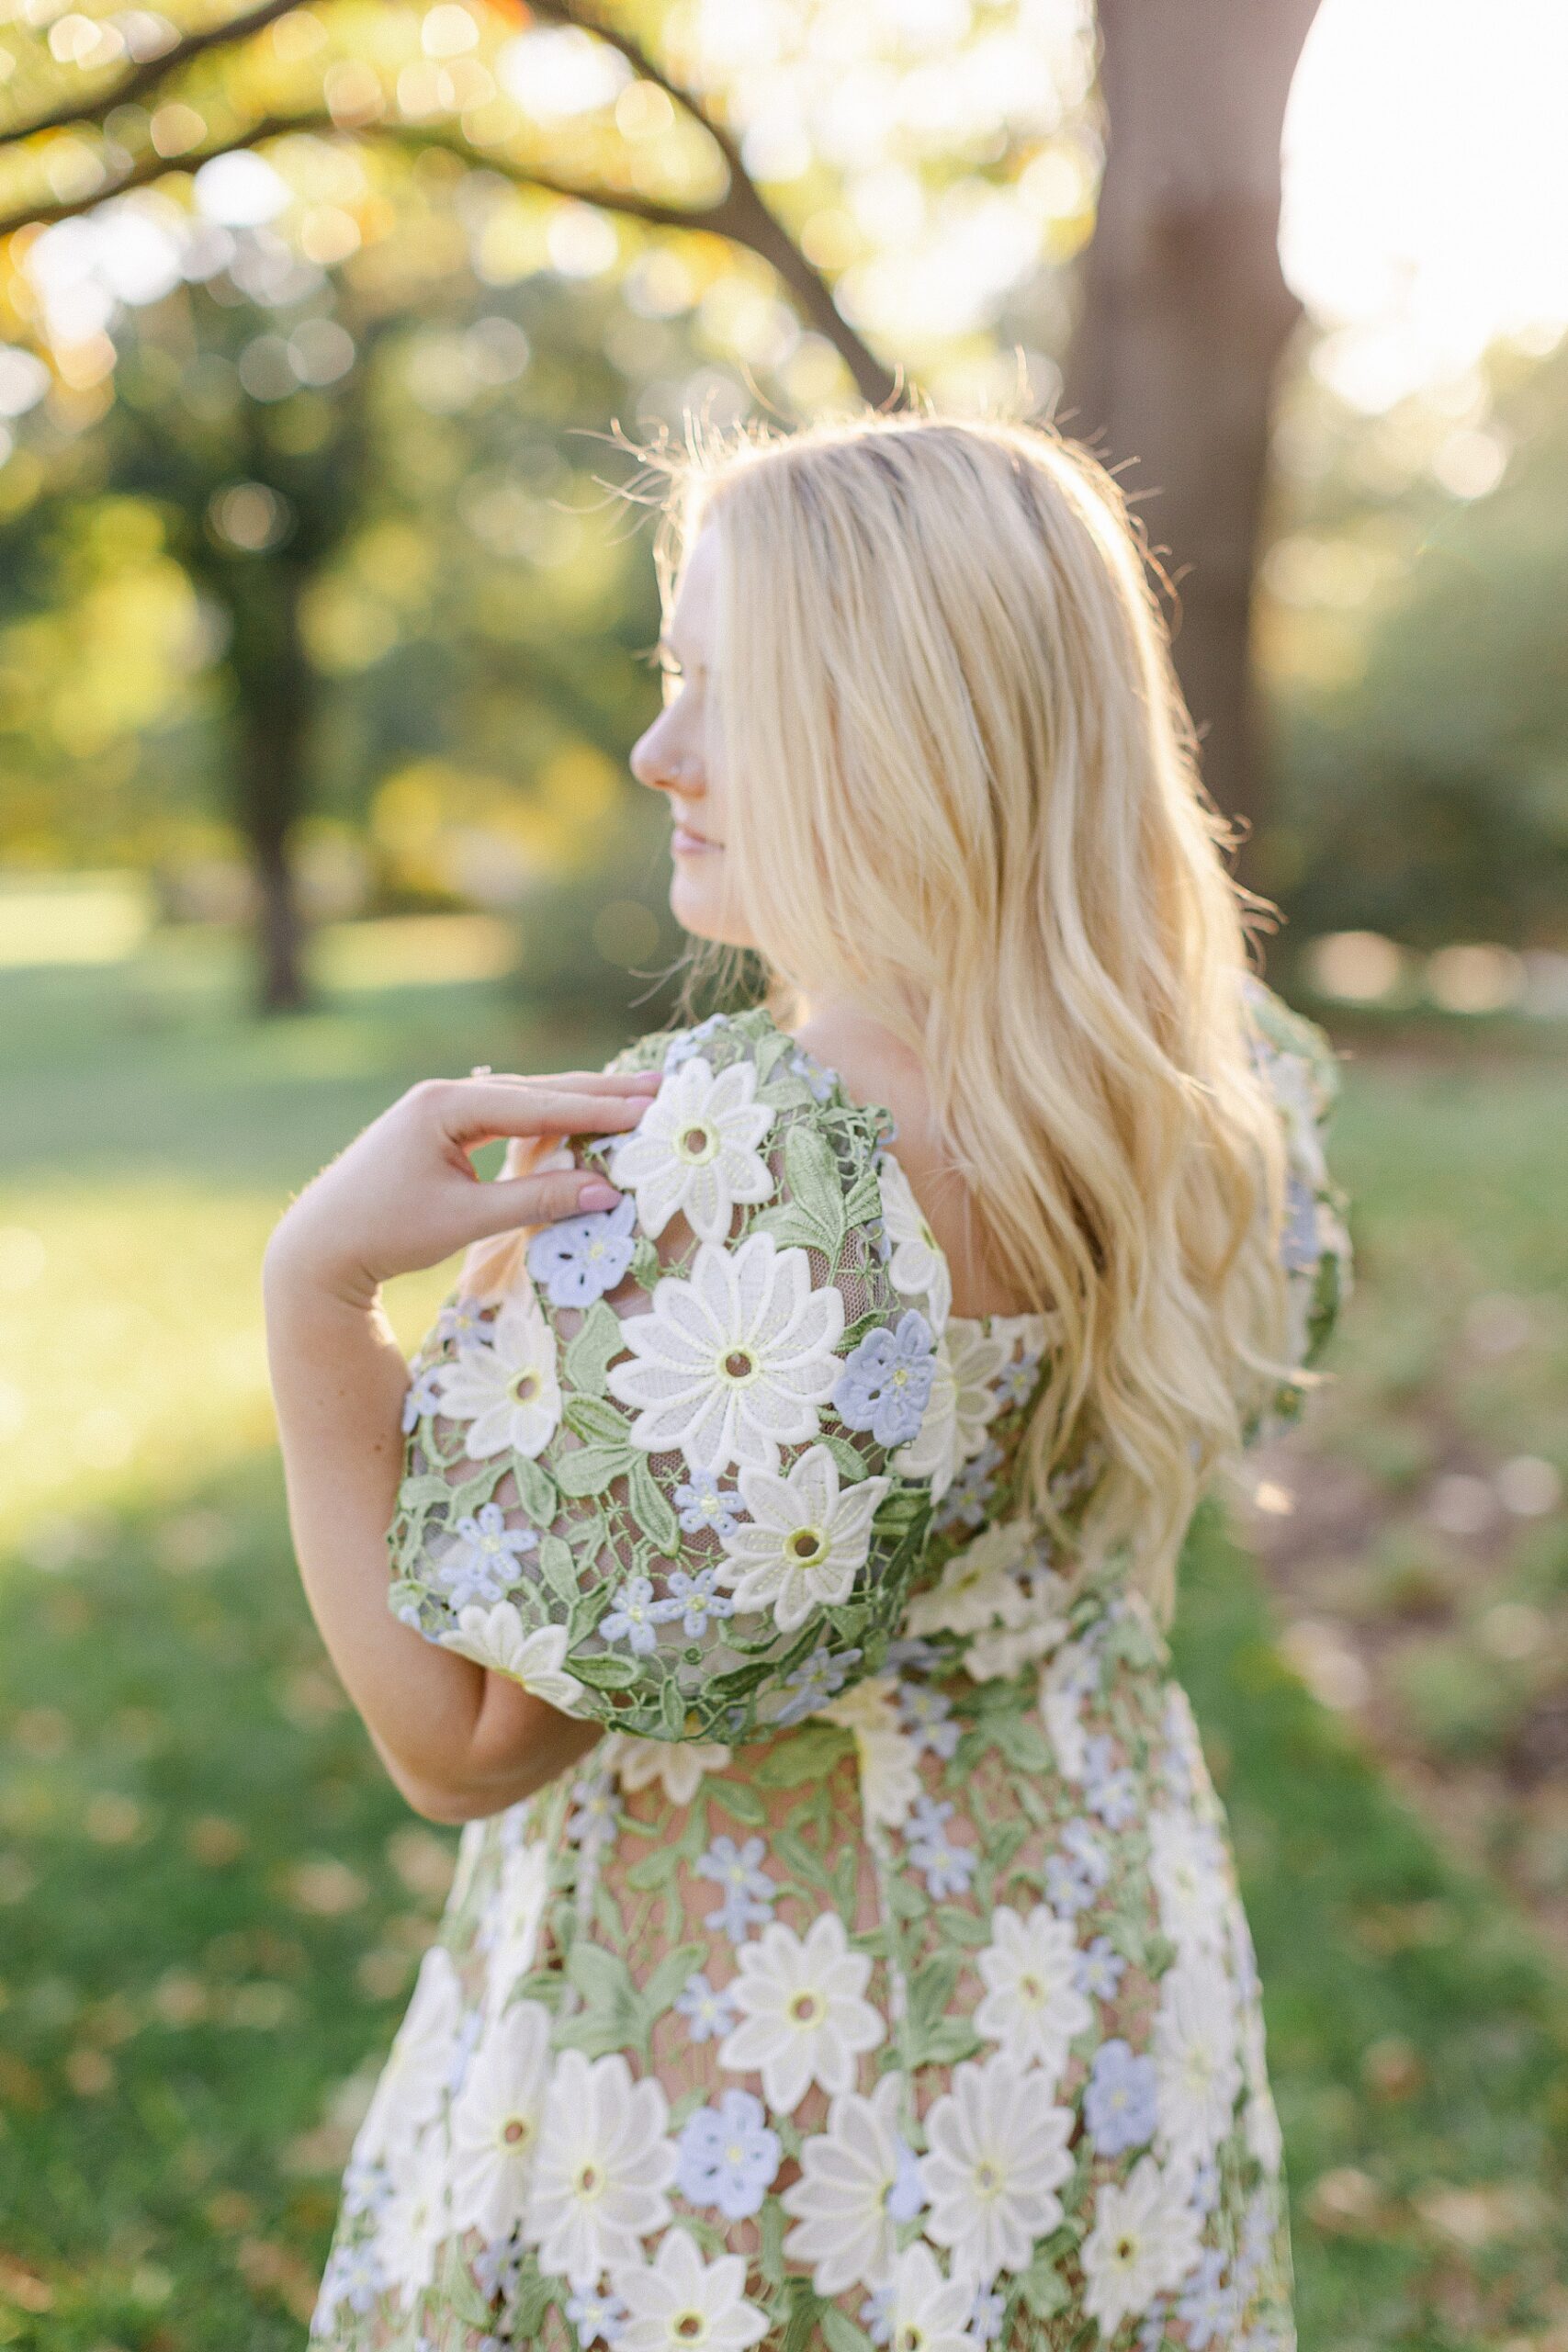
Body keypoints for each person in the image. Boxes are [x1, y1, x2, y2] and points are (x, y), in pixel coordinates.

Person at [265, 409, 1351, 2352]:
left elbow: (464, 1743)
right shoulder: (1205, 1068)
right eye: (663, 681)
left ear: (906, 721)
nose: (654, 751)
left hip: (759, 2070)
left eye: (720, 693)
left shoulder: (761, 1173)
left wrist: (318, 1287)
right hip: (1085, 1967)